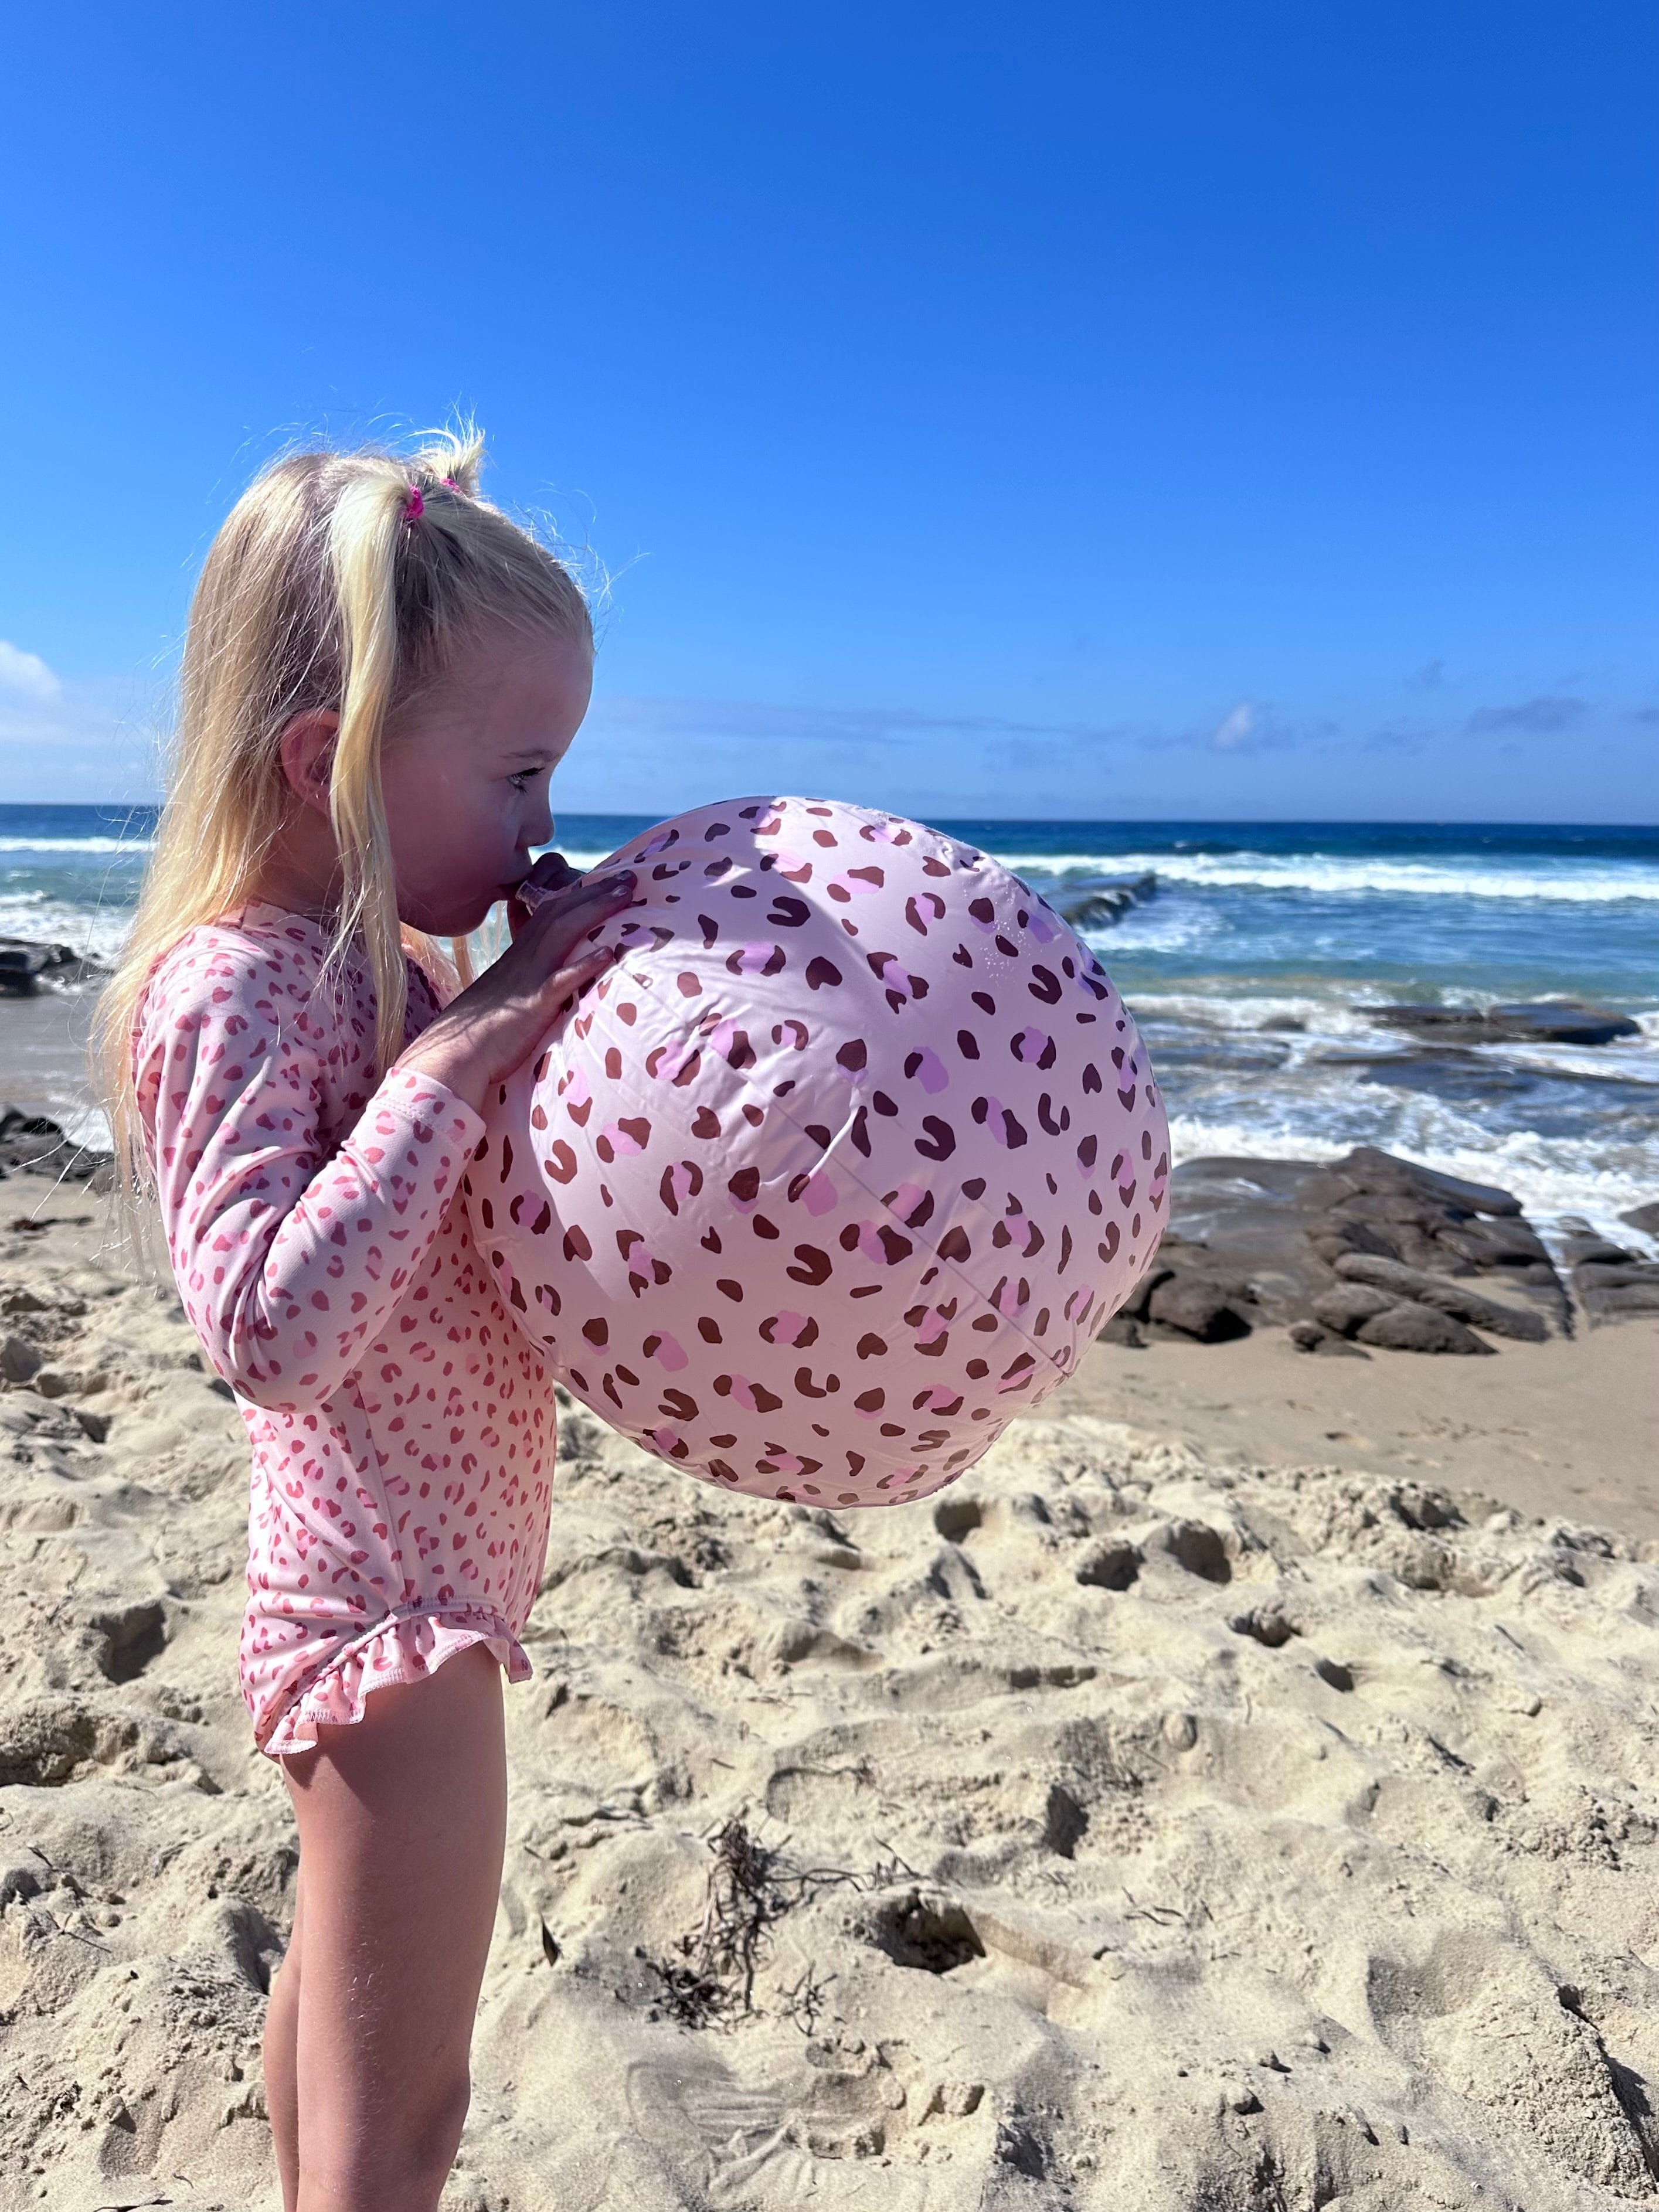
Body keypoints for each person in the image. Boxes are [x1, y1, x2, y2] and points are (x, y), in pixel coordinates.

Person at [92, 428, 638, 2212]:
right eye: (520, 776)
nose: (543, 824)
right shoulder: (232, 986)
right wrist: (464, 1060)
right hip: (385, 1620)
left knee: (336, 2028)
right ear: (329, 766)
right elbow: (266, 1323)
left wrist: (505, 1022)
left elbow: (428, 1227)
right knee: (402, 2130)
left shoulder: (385, 967)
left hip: (439, 1578)